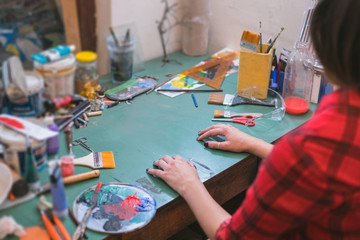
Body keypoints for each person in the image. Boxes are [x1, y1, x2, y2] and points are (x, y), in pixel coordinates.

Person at [147, 0, 360, 239]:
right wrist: (255, 144)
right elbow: (327, 171)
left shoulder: (307, 150)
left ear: (325, 47)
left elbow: (232, 236)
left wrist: (189, 184)